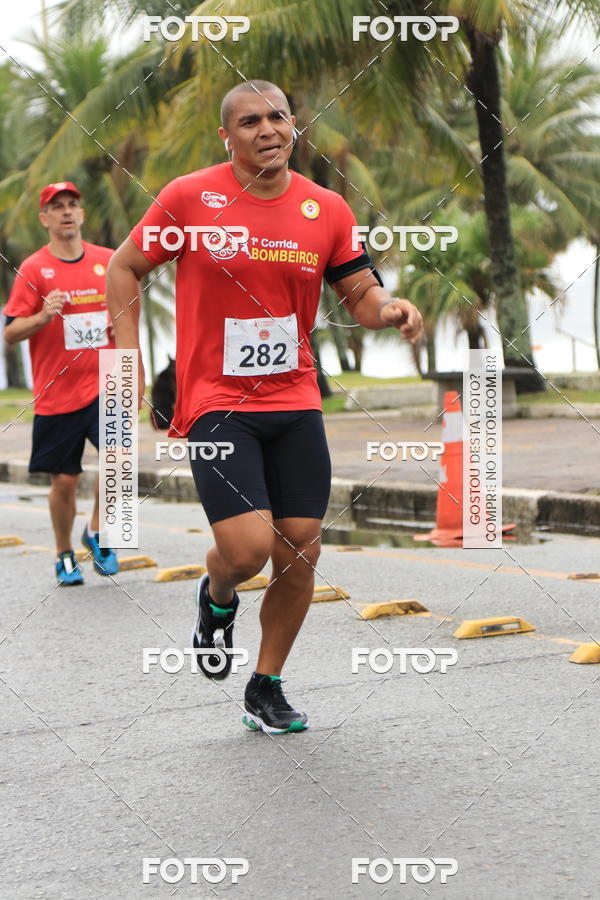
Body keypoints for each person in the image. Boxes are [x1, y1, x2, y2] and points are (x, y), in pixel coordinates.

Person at [106, 80, 423, 734]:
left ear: (294, 124)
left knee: (301, 547)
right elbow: (123, 268)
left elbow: (358, 290)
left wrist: (387, 309)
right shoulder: (191, 197)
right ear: (229, 136)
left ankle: (266, 684)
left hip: (295, 396)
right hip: (218, 403)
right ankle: (217, 596)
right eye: (250, 121)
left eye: (278, 116)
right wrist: (128, 360)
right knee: (248, 549)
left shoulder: (326, 208)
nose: (267, 129)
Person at [3, 182, 119, 585]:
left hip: (107, 381)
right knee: (64, 480)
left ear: (81, 214)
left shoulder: (109, 261)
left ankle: (98, 531)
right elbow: (11, 332)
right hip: (58, 390)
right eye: (58, 207)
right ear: (45, 219)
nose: (67, 212)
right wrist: (42, 318)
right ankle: (64, 553)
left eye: (73, 204)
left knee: (117, 462)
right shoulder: (34, 269)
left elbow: (128, 314)